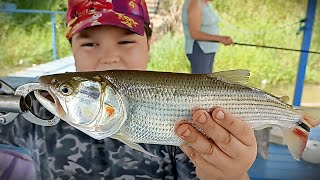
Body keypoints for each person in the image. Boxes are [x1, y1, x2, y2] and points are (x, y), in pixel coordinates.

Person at [0, 0, 257, 179]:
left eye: (125, 41)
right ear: (72, 48)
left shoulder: (180, 135)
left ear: (149, 43)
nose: (109, 58)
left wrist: (230, 175)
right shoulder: (37, 112)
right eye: (90, 44)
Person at [182, 0, 234, 74]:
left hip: (208, 50)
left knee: (206, 82)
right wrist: (220, 39)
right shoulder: (194, 3)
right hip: (199, 50)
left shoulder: (206, 3)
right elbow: (195, 34)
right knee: (200, 83)